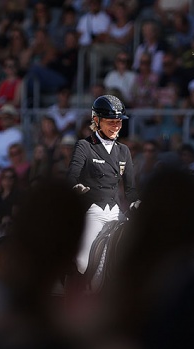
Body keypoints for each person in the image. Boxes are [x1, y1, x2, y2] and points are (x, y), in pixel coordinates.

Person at [67, 95, 138, 274]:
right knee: (82, 262)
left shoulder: (124, 151)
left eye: (119, 122)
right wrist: (76, 187)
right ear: (97, 121)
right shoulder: (85, 146)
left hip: (115, 211)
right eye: (111, 122)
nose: (116, 126)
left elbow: (130, 189)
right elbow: (72, 176)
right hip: (93, 210)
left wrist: (137, 202)